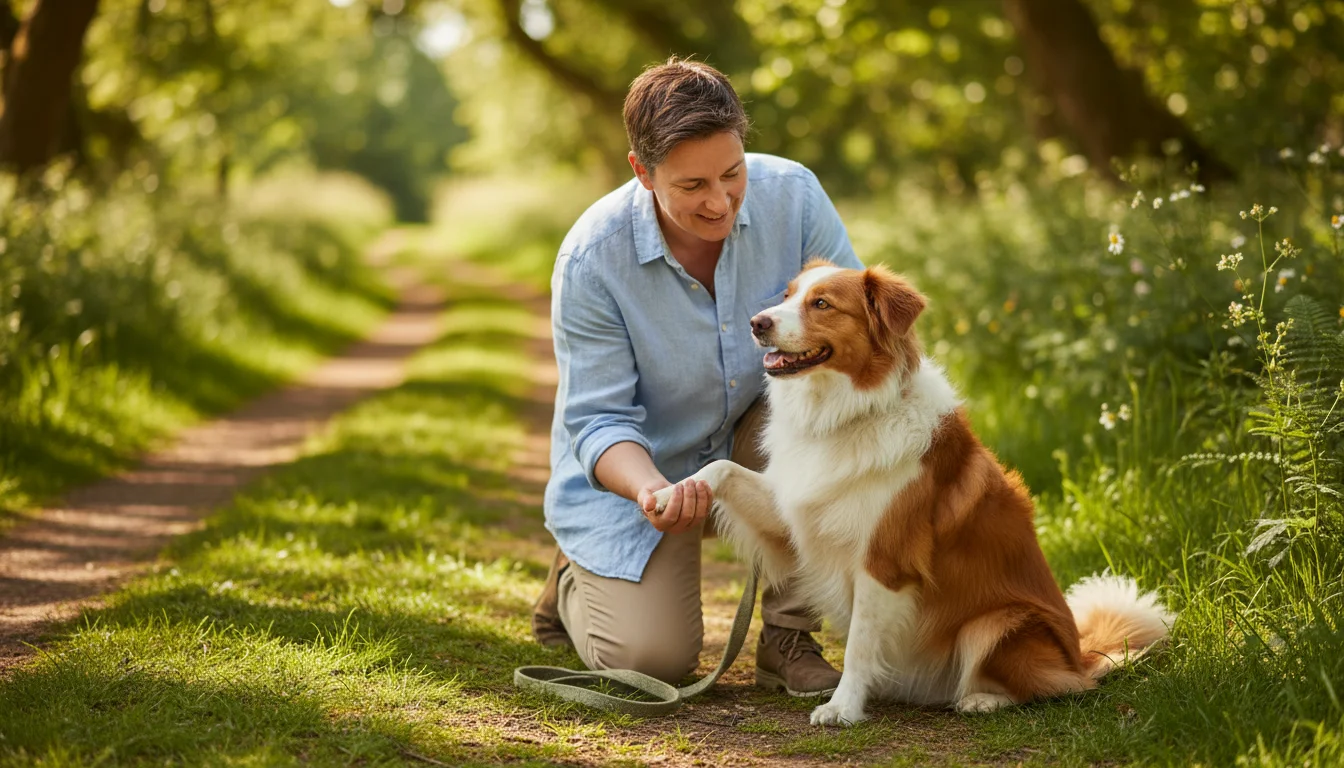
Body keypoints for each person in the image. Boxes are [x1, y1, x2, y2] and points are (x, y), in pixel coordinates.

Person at [531, 57, 863, 695]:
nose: (720, 201)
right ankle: (574, 580)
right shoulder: (591, 259)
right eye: (691, 186)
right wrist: (652, 489)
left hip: (760, 437)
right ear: (642, 171)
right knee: (651, 659)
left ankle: (789, 633)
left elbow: (855, 334)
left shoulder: (793, 196)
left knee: (822, 408)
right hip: (645, 473)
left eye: (732, 173)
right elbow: (598, 419)